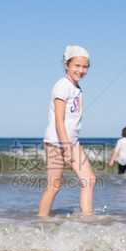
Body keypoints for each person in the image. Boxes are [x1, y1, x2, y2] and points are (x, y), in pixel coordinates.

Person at [38, 45, 96, 216]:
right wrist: (66, 147)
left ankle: (87, 218)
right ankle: (41, 220)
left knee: (89, 180)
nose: (81, 70)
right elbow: (58, 120)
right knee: (53, 186)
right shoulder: (62, 86)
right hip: (57, 143)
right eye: (77, 66)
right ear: (67, 65)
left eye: (85, 67)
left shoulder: (77, 88)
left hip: (72, 142)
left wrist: (71, 145)